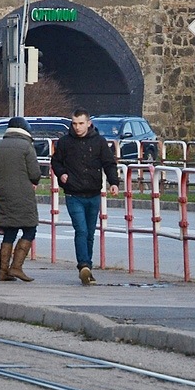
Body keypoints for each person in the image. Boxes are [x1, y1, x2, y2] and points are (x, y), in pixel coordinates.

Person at [51, 107, 119, 286]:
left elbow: (109, 163)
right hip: (73, 193)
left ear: (89, 123)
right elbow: (56, 162)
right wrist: (62, 174)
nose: (77, 127)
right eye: (74, 124)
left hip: (93, 193)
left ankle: (88, 268)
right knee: (81, 230)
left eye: (81, 123)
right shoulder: (65, 142)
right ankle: (83, 265)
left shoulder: (99, 142)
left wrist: (114, 182)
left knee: (89, 233)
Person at [0, 117, 42, 282]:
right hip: (23, 195)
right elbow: (35, 174)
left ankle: (3, 271)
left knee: (10, 231)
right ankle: (16, 267)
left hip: (4, 194)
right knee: (30, 229)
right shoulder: (26, 146)